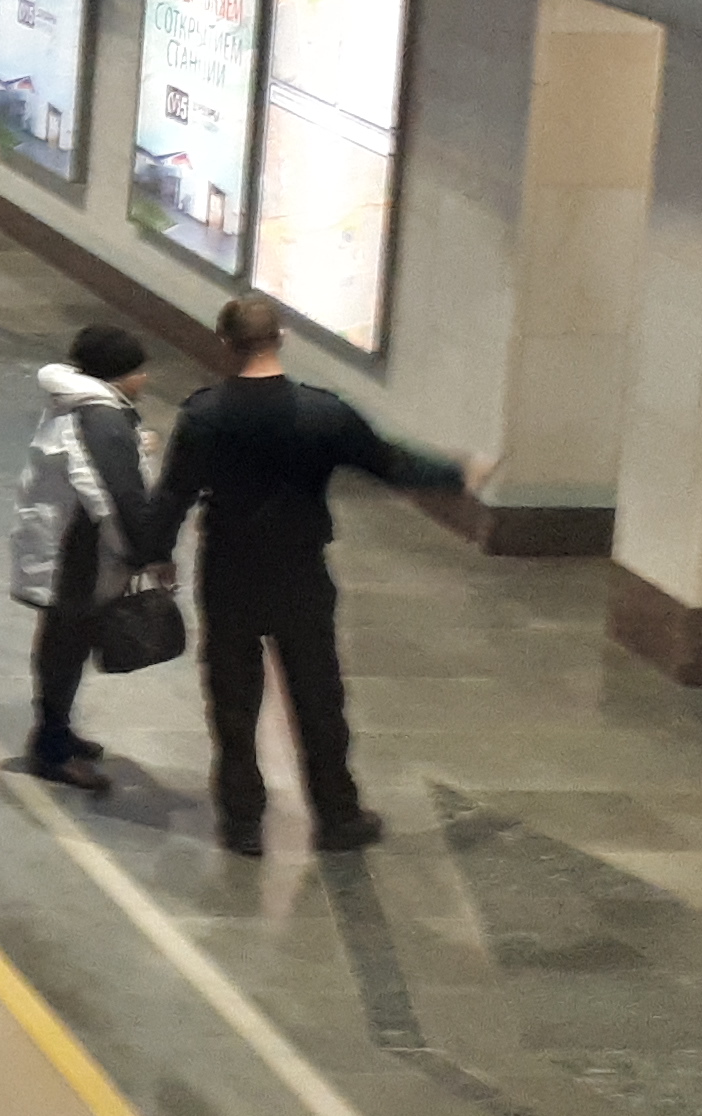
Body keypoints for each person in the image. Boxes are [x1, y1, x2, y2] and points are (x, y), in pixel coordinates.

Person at [137, 294, 486, 856]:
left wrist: (154, 552)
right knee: (318, 695)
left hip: (229, 571)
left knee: (232, 699)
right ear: (281, 339)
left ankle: (242, 821)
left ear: (225, 344)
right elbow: (388, 462)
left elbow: (173, 494)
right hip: (300, 571)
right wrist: (456, 473)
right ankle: (337, 815)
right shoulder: (324, 413)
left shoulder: (204, 415)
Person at [13, 326, 168, 793]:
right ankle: (51, 750)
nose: (144, 378)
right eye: (138, 370)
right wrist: (146, 554)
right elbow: (111, 496)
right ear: (118, 374)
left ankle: (57, 729)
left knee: (65, 644)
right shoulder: (102, 420)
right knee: (65, 646)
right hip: (76, 556)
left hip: (65, 547)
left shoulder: (81, 405)